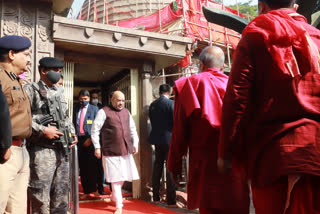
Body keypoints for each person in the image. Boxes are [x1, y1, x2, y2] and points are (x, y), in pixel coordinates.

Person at [218, 0, 320, 213]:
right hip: (314, 152)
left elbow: (237, 98)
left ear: (261, 6)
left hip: (272, 156)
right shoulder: (317, 38)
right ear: (295, 7)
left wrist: (227, 153)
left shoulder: (255, 35)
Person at [167, 46, 250, 214]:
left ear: (201, 64)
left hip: (205, 164)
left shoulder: (190, 84)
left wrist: (174, 165)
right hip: (235, 162)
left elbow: (179, 131)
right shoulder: (237, 87)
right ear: (222, 67)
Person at [24, 57, 78, 214]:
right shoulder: (31, 90)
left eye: (60, 71)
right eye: (56, 71)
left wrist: (72, 133)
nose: (58, 74)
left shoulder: (58, 92)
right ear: (44, 71)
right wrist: (42, 129)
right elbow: (22, 119)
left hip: (62, 150)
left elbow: (66, 117)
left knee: (61, 195)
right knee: (40, 196)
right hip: (42, 150)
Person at [91, 91, 139, 214]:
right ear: (112, 100)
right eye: (118, 100)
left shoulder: (126, 112)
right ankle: (119, 204)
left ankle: (114, 196)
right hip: (110, 151)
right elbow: (95, 130)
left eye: (123, 100)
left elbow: (133, 129)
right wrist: (97, 147)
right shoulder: (103, 112)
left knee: (123, 176)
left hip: (125, 149)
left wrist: (135, 143)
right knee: (116, 178)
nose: (121, 103)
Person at [0, 35, 33, 214]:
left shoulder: (16, 80)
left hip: (20, 150)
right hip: (4, 152)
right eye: (26, 54)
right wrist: (3, 146)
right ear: (12, 54)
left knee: (17, 210)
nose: (29, 58)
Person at [73, 89, 106, 199]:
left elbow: (98, 126)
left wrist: (91, 139)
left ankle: (95, 189)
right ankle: (86, 190)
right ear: (79, 99)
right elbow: (73, 124)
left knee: (92, 167)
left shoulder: (94, 109)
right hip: (79, 140)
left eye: (86, 99)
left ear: (89, 99)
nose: (83, 101)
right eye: (81, 99)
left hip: (91, 140)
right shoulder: (75, 108)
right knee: (82, 168)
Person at [149, 84, 176, 206]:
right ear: (169, 92)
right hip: (169, 139)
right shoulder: (171, 104)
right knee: (170, 169)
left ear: (159, 92)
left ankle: (155, 197)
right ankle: (171, 200)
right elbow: (176, 121)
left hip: (156, 139)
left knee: (157, 167)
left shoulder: (152, 105)